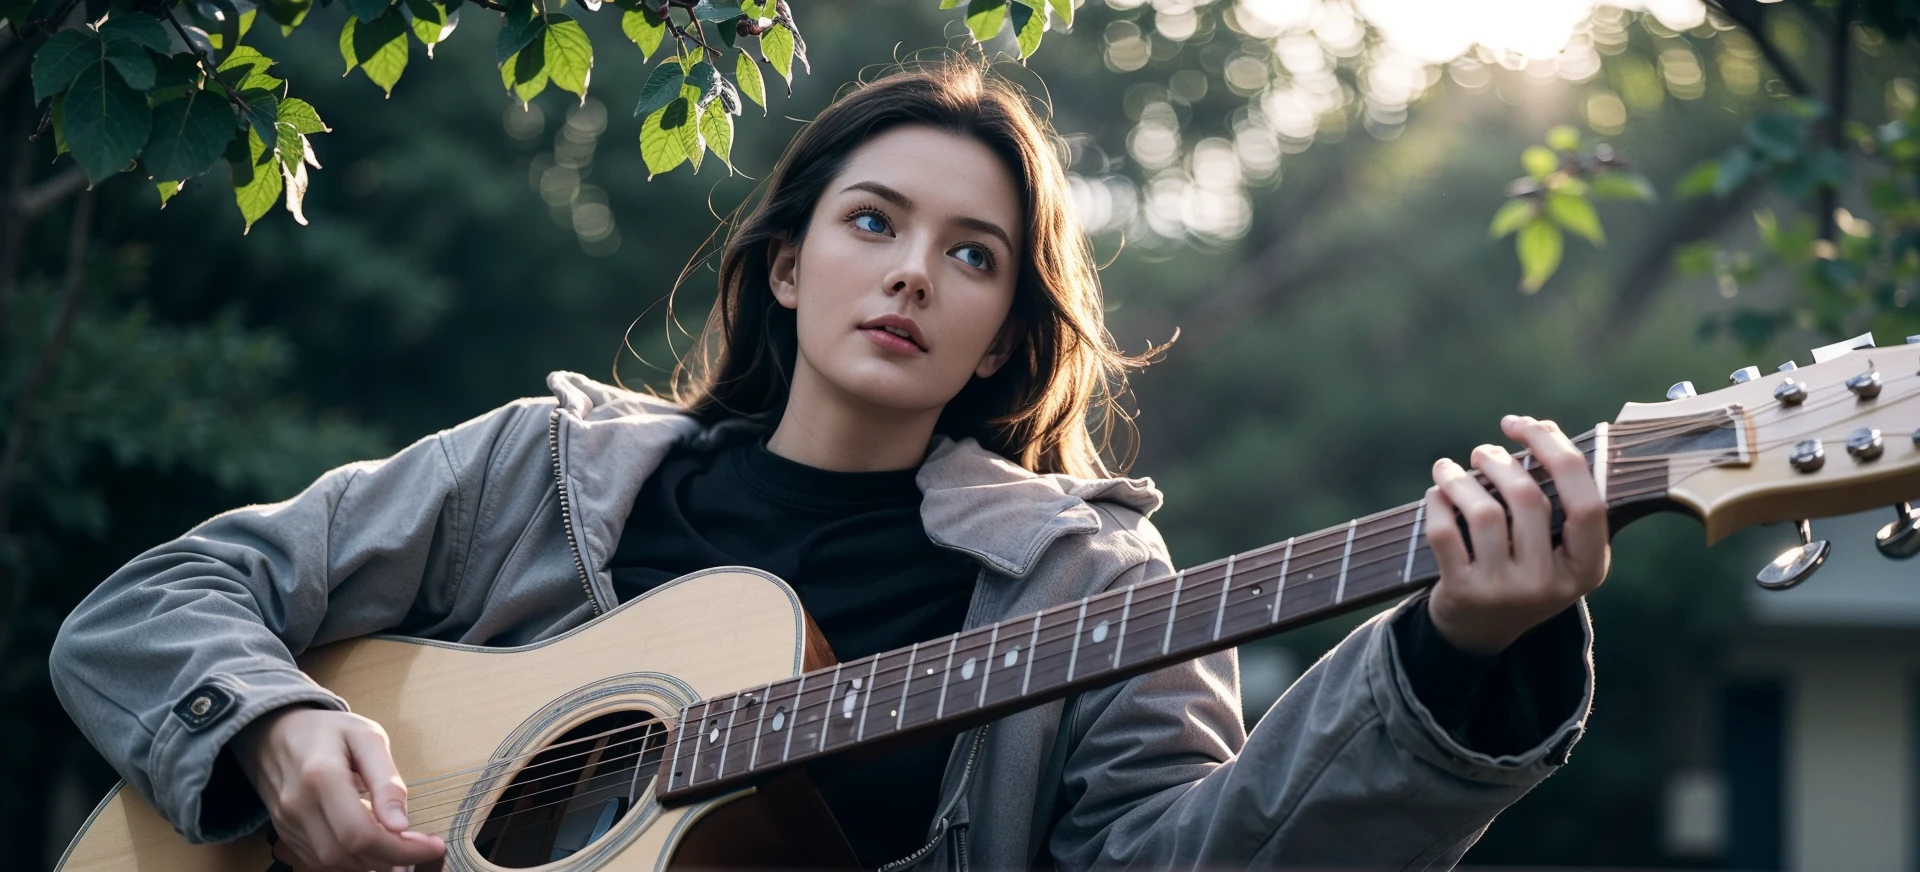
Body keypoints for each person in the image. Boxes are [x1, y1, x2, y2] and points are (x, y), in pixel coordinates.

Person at [51, 58, 1603, 872]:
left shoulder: (1082, 588)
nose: (914, 272)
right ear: (787, 268)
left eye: (973, 254)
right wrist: (274, 732)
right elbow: (163, 601)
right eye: (876, 223)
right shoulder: (542, 471)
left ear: (1004, 335)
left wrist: (1451, 666)